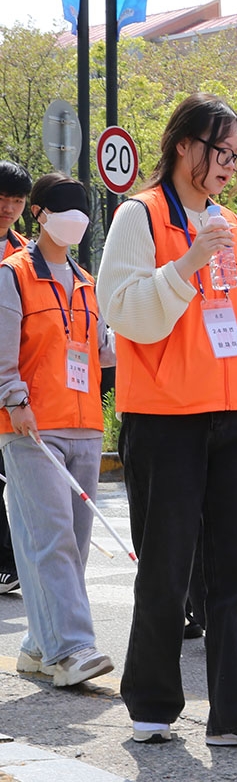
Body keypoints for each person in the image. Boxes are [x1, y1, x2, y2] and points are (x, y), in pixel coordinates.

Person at [97, 93, 237, 748]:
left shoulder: (232, 224)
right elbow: (125, 311)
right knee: (166, 564)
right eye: (221, 151)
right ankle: (154, 704)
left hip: (236, 413)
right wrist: (189, 262)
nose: (228, 165)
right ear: (184, 144)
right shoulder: (140, 215)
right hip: (165, 417)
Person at [0, 173, 115, 687]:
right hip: (31, 428)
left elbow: (103, 350)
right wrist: (14, 398)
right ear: (40, 214)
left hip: (86, 424)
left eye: (83, 209)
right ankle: (71, 648)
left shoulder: (88, 282)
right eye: (66, 208)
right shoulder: (12, 275)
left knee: (75, 541)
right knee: (52, 541)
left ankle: (36, 646)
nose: (77, 218)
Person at [0, 160, 33, 595]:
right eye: (2, 198)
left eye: (17, 200)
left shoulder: (25, 254)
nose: (8, 207)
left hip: (16, 384)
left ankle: (10, 564)